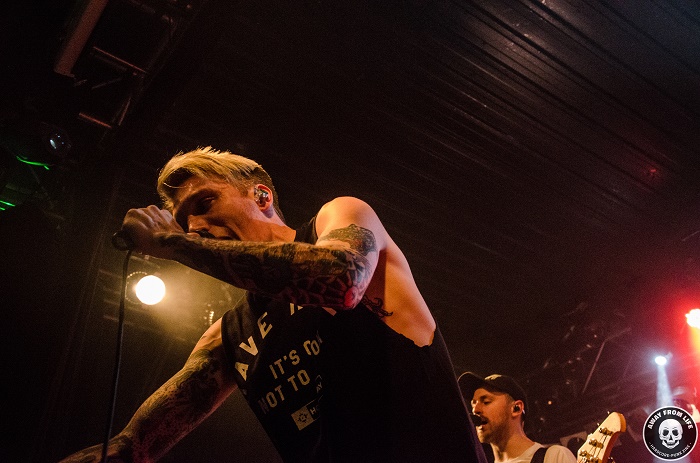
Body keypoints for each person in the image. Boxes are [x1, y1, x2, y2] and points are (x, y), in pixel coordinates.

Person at [58, 146, 487, 463]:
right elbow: (134, 446)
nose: (196, 228)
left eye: (205, 203)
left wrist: (172, 243)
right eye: (186, 223)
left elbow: (342, 281)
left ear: (262, 196)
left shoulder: (339, 215)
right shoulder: (227, 337)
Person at [459, 372, 576, 463]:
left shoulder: (554, 457)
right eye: (473, 404)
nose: (475, 410)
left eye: (486, 402)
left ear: (516, 408)